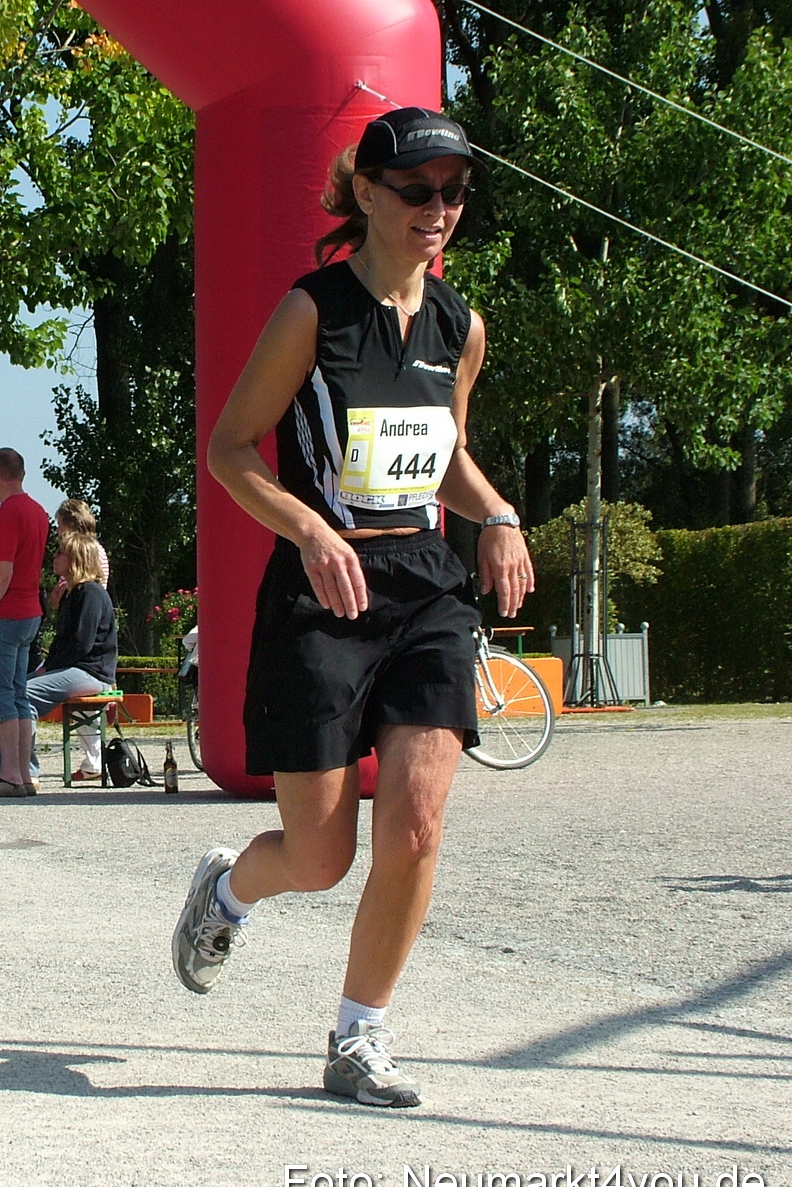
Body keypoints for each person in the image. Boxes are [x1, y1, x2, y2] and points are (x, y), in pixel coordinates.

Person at [171, 108, 534, 1108]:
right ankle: (229, 890)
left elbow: (445, 454)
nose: (436, 210)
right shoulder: (311, 312)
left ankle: (358, 1036)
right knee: (321, 854)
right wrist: (311, 530)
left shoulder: (461, 326)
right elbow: (233, 448)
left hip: (425, 587)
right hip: (323, 593)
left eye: (452, 192)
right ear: (366, 192)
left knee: (415, 824)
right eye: (415, 189)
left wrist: (496, 513)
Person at [0, 448, 51, 797]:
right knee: (17, 693)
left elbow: (2, 570)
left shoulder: (9, 515)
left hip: (3, 614)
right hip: (28, 611)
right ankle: (22, 773)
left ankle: (11, 773)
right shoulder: (34, 511)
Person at [24, 532, 117, 781]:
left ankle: (26, 771)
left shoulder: (91, 594)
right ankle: (1, 765)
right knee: (8, 692)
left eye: (60, 553)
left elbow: (80, 645)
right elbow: (62, 643)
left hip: (91, 672)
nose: (53, 557)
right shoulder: (73, 593)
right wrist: (48, 666)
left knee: (22, 695)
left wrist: (48, 668)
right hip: (76, 669)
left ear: (75, 559)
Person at [50, 499, 110, 610]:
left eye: (60, 524)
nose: (58, 530)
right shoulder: (94, 550)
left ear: (71, 524)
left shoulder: (91, 552)